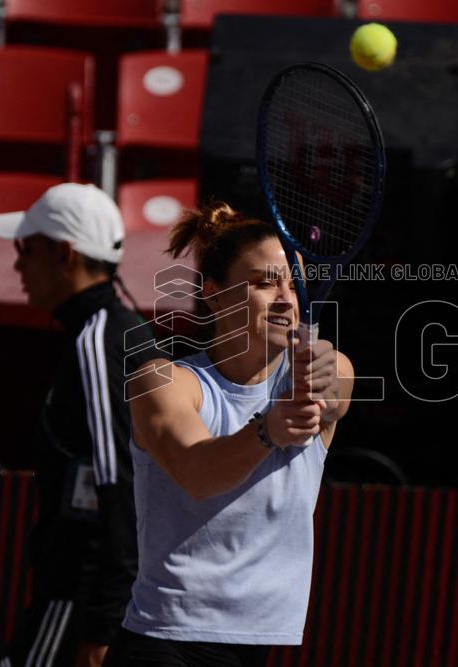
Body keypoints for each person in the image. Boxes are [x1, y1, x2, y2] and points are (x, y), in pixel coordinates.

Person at [103, 203, 355, 666]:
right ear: (215, 296)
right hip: (164, 641)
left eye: (294, 283)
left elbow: (336, 386)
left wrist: (322, 383)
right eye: (265, 281)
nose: (286, 297)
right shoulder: (162, 380)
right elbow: (197, 474)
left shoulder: (327, 368)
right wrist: (267, 430)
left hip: (259, 643)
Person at [0, 183, 166, 667]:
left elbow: (121, 486)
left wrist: (103, 624)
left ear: (64, 253)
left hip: (76, 602)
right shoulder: (117, 331)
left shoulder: (98, 343)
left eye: (24, 249)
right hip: (90, 600)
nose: (17, 265)